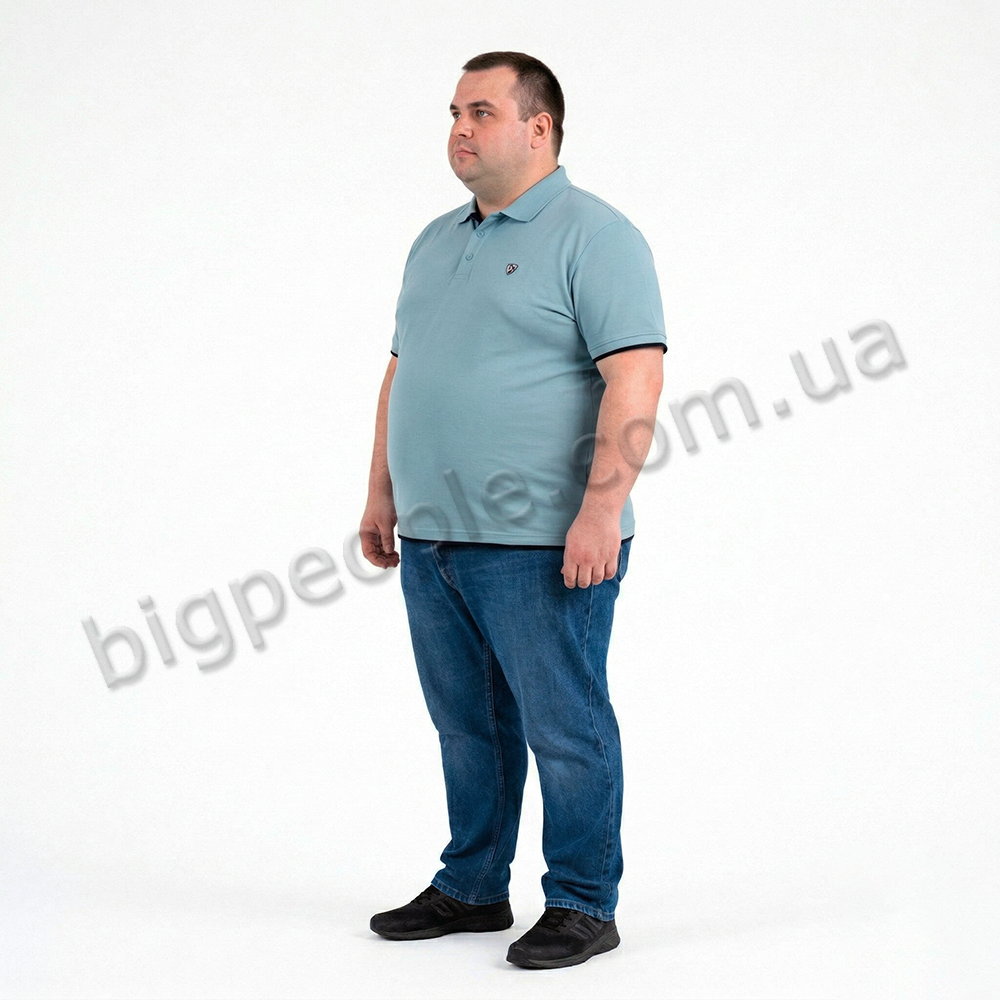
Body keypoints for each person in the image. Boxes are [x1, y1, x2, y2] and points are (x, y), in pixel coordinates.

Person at [359, 51, 666, 970]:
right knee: (468, 728)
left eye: (482, 112)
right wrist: (381, 493)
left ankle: (582, 902)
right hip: (434, 538)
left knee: (564, 727)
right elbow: (403, 373)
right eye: (454, 112)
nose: (460, 128)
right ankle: (472, 886)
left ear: (539, 128)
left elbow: (636, 378)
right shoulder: (434, 240)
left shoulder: (597, 236)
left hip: (542, 543)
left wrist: (601, 512)